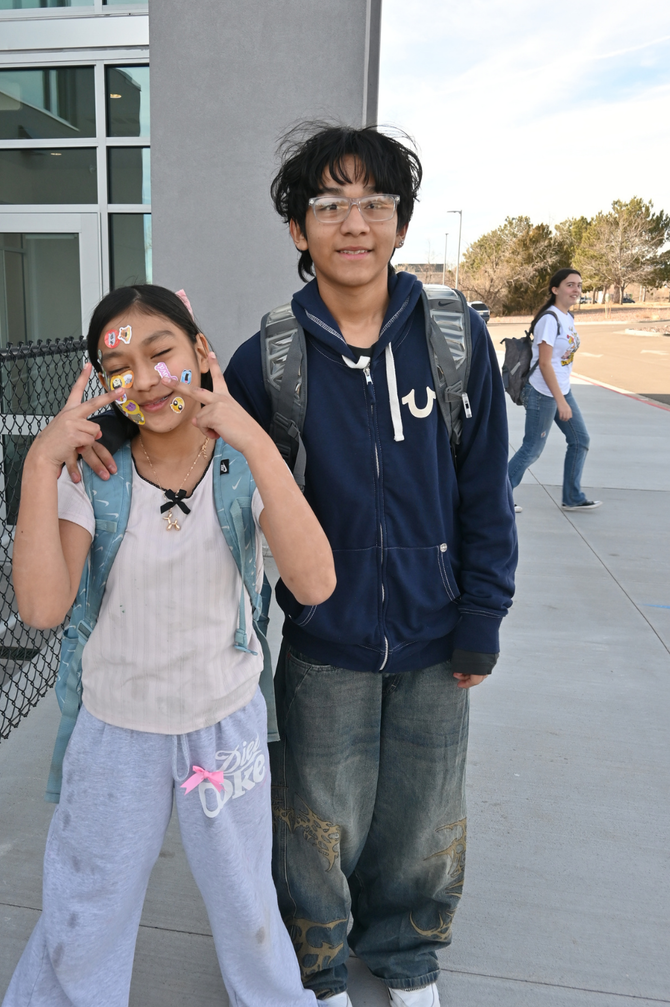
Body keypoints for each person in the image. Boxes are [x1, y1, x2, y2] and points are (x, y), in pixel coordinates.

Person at [222, 125, 518, 1007]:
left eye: (374, 204)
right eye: (329, 204)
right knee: (316, 823)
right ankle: (317, 968)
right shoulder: (266, 360)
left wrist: (482, 619)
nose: (354, 223)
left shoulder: (454, 339)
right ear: (297, 230)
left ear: (398, 223)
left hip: (436, 633)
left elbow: (486, 496)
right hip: (323, 639)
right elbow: (206, 475)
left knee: (423, 818)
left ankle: (409, 959)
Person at [3, 284, 335, 1007]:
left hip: (224, 723)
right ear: (98, 384)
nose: (146, 380)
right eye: (118, 367)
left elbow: (313, 584)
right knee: (88, 906)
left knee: (248, 905)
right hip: (116, 730)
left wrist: (248, 435)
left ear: (201, 354)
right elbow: (41, 607)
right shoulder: (94, 477)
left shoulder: (244, 466)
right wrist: (39, 466)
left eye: (162, 354)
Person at [508, 268, 601, 512]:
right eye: (570, 285)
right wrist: (561, 401)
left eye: (579, 285)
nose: (576, 290)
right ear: (555, 289)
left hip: (560, 390)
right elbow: (546, 363)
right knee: (532, 449)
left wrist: (563, 396)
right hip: (543, 392)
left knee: (580, 440)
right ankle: (497, 498)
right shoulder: (549, 320)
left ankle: (572, 497)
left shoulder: (567, 318)